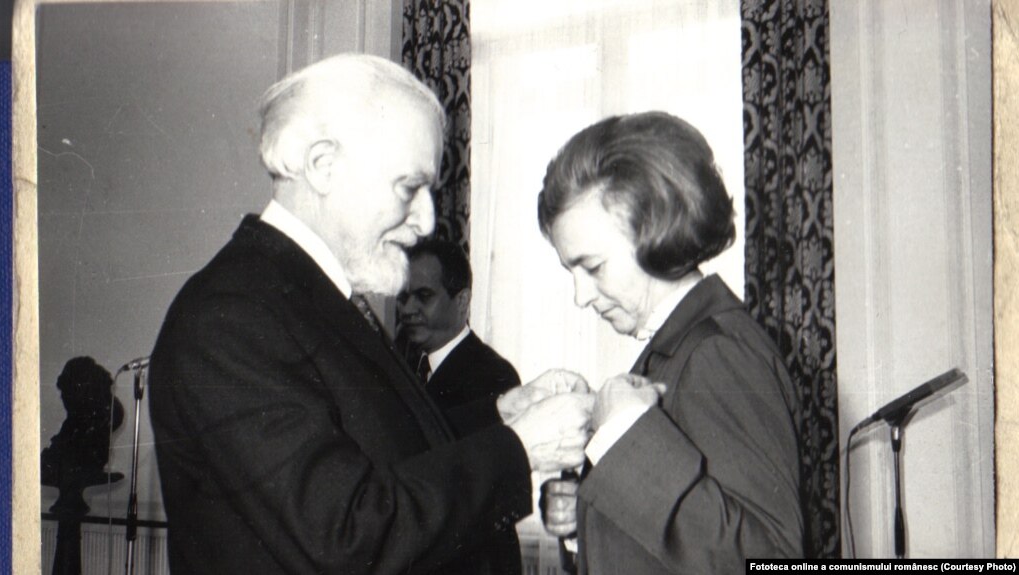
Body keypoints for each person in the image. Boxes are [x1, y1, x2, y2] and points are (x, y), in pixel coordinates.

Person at [148, 53, 593, 575]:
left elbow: (380, 446)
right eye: (408, 188)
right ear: (322, 166)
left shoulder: (304, 295)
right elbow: (345, 534)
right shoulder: (230, 317)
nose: (425, 220)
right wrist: (520, 448)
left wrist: (501, 414)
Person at [536, 111, 804, 573]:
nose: (581, 296)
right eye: (571, 271)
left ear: (658, 233)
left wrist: (625, 434)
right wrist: (588, 519)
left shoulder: (718, 353)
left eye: (593, 267)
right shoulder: (673, 351)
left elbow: (772, 561)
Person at [398, 239, 521, 436]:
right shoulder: (403, 363)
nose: (407, 309)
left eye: (424, 295)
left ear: (462, 301)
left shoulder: (494, 377)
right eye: (404, 297)